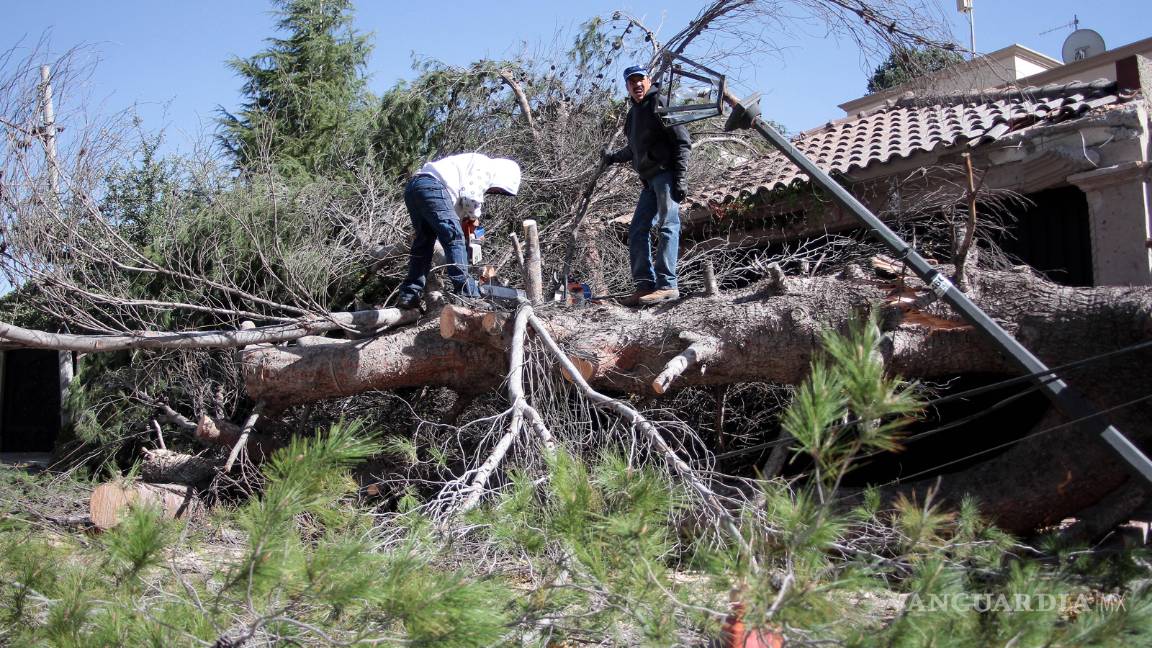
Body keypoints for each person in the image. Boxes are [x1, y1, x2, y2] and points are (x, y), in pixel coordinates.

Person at [601, 64, 692, 306]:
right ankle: (644, 285)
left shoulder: (659, 103)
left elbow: (682, 141)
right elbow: (634, 149)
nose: (637, 85)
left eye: (640, 80)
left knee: (667, 225)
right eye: (632, 82)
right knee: (637, 230)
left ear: (648, 81)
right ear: (627, 87)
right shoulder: (633, 116)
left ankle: (667, 285)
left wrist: (680, 178)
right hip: (649, 181)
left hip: (665, 175)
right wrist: (612, 158)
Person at [396, 153, 521, 310]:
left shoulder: (467, 169)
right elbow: (471, 199)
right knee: (455, 238)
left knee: (424, 244)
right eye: (499, 189)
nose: (494, 191)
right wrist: (474, 220)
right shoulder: (486, 166)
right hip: (432, 186)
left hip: (414, 188)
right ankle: (467, 294)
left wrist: (471, 236)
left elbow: (459, 211)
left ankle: (409, 295)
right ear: (503, 176)